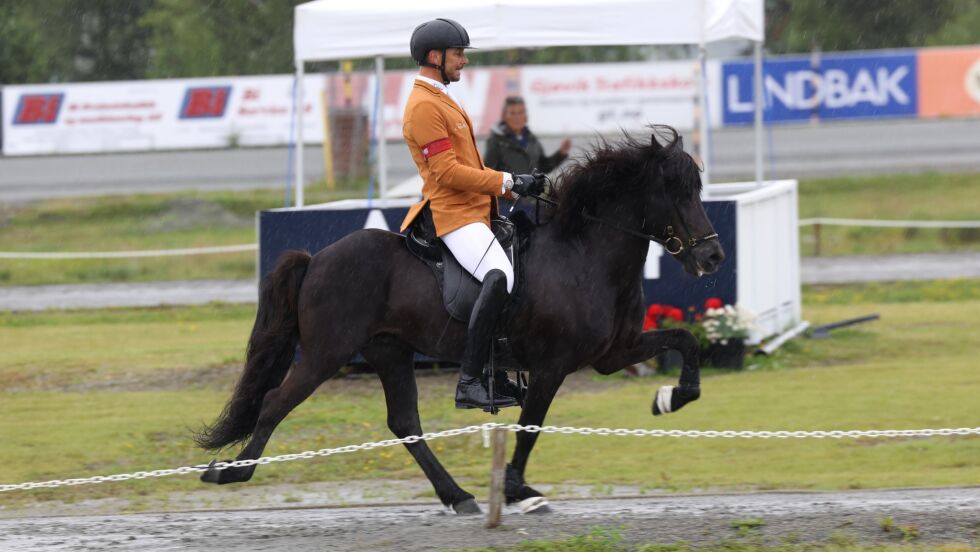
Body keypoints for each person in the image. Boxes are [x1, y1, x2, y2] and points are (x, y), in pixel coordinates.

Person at [399, 18, 545, 412]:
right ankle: (469, 382)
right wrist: (508, 180)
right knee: (499, 275)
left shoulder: (442, 96)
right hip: (455, 215)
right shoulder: (424, 106)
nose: (463, 61)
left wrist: (512, 185)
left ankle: (495, 373)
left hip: (477, 210)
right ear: (435, 56)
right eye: (458, 53)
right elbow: (446, 172)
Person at [484, 96, 571, 179]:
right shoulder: (495, 141)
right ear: (504, 117)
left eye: (521, 112)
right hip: (507, 194)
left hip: (532, 194)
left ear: (526, 116)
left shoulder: (532, 140)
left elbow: (542, 167)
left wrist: (560, 154)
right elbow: (489, 174)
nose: (517, 117)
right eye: (512, 113)